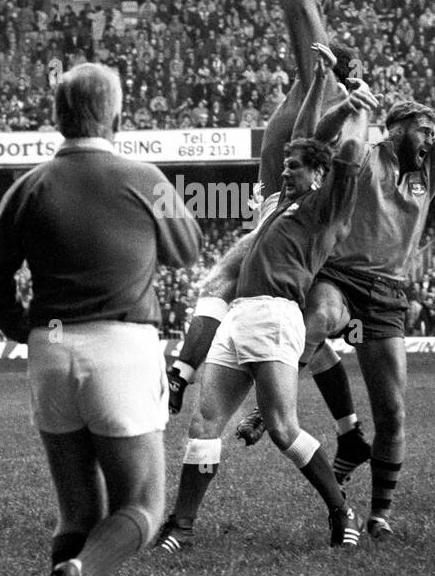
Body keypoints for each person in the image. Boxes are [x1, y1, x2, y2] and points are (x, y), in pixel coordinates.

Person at [0, 63, 201, 576]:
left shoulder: (27, 185)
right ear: (118, 116)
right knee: (144, 509)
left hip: (50, 351)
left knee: (76, 511)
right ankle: (80, 573)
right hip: (122, 346)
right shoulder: (145, 177)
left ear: (57, 117)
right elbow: (189, 251)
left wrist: (24, 331)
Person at [286, 28, 435, 539]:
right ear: (399, 128)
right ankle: (272, 403)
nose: (433, 139)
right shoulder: (368, 150)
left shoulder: (430, 168)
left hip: (387, 294)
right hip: (338, 274)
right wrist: (342, 89)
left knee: (393, 410)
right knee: (319, 319)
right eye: (426, 130)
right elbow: (318, 138)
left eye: (434, 133)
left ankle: (380, 513)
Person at [166, 0, 360, 472]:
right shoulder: (314, 94)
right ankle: (350, 432)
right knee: (311, 333)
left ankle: (181, 372)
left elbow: (303, 12)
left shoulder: (317, 85)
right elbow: (302, 13)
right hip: (289, 211)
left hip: (291, 212)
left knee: (220, 282)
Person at [155, 84, 374, 552]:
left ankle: (341, 510)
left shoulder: (326, 207)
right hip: (239, 317)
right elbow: (305, 133)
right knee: (204, 424)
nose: (286, 170)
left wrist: (361, 109)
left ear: (320, 173)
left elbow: (351, 152)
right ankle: (182, 527)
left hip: (276, 316)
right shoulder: (284, 205)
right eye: (286, 164)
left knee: (282, 428)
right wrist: (338, 104)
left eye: (296, 166)